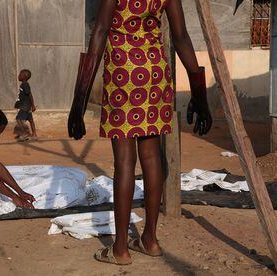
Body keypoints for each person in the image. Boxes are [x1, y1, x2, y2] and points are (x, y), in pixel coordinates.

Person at [68, 0, 212, 265]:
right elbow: (181, 37)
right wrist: (199, 93)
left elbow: (100, 30)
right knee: (151, 156)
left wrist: (80, 99)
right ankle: (150, 239)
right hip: (155, 71)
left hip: (123, 71)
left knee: (124, 161)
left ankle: (120, 249)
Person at [14, 69, 38, 141]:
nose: (18, 76)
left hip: (25, 106)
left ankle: (24, 134)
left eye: (20, 75)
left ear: (24, 76)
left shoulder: (25, 84)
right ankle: (34, 135)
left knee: (19, 119)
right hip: (26, 106)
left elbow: (30, 95)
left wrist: (33, 105)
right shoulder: (24, 84)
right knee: (30, 120)